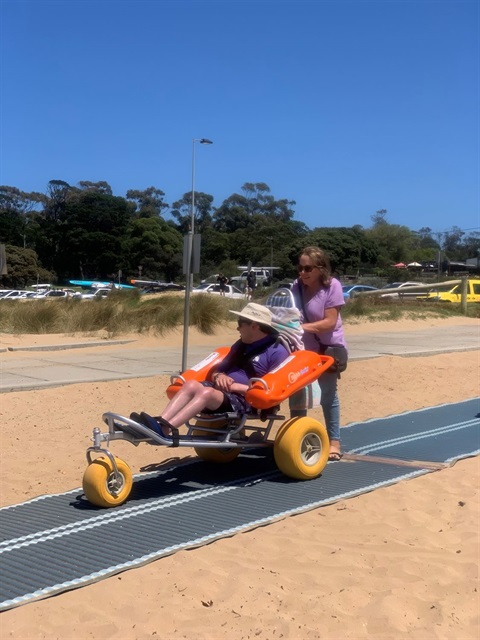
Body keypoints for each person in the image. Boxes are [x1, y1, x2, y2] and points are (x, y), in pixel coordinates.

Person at [132, 302, 290, 438]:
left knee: (205, 393)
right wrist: (219, 376)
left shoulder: (277, 351)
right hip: (222, 393)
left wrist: (235, 387)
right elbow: (218, 371)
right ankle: (160, 422)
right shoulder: (240, 345)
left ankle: (165, 430)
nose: (237, 327)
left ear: (254, 326)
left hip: (247, 400)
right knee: (191, 385)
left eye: (240, 322)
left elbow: (274, 390)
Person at [291, 246, 348, 461]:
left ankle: (334, 442)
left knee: (327, 395)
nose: (302, 273)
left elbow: (330, 322)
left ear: (320, 268)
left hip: (327, 349)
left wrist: (302, 328)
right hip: (302, 349)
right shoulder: (295, 287)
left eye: (307, 268)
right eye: (300, 267)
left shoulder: (332, 286)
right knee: (296, 392)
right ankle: (296, 437)